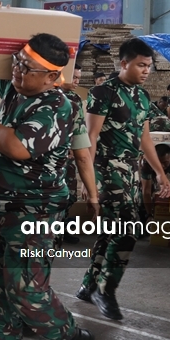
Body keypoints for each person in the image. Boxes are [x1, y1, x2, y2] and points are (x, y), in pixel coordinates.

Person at [0, 33, 94, 340]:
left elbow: (18, 148)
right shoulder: (16, 91)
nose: (18, 71)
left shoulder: (56, 106)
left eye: (28, 68)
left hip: (31, 213)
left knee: (26, 289)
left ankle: (73, 339)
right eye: (18, 63)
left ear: (53, 77)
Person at [80, 38, 170, 321]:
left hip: (130, 175)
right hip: (108, 175)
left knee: (110, 232)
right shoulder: (103, 92)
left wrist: (159, 172)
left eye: (149, 66)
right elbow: (90, 137)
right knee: (127, 232)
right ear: (124, 64)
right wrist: (88, 182)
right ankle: (105, 291)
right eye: (141, 65)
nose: (146, 71)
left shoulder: (142, 97)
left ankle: (89, 285)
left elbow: (144, 138)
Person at [59, 65, 99, 245]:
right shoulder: (48, 95)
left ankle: (63, 229)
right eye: (74, 77)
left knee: (69, 194)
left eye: (79, 78)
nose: (77, 82)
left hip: (70, 155)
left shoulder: (75, 98)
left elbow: (79, 130)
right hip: (51, 158)